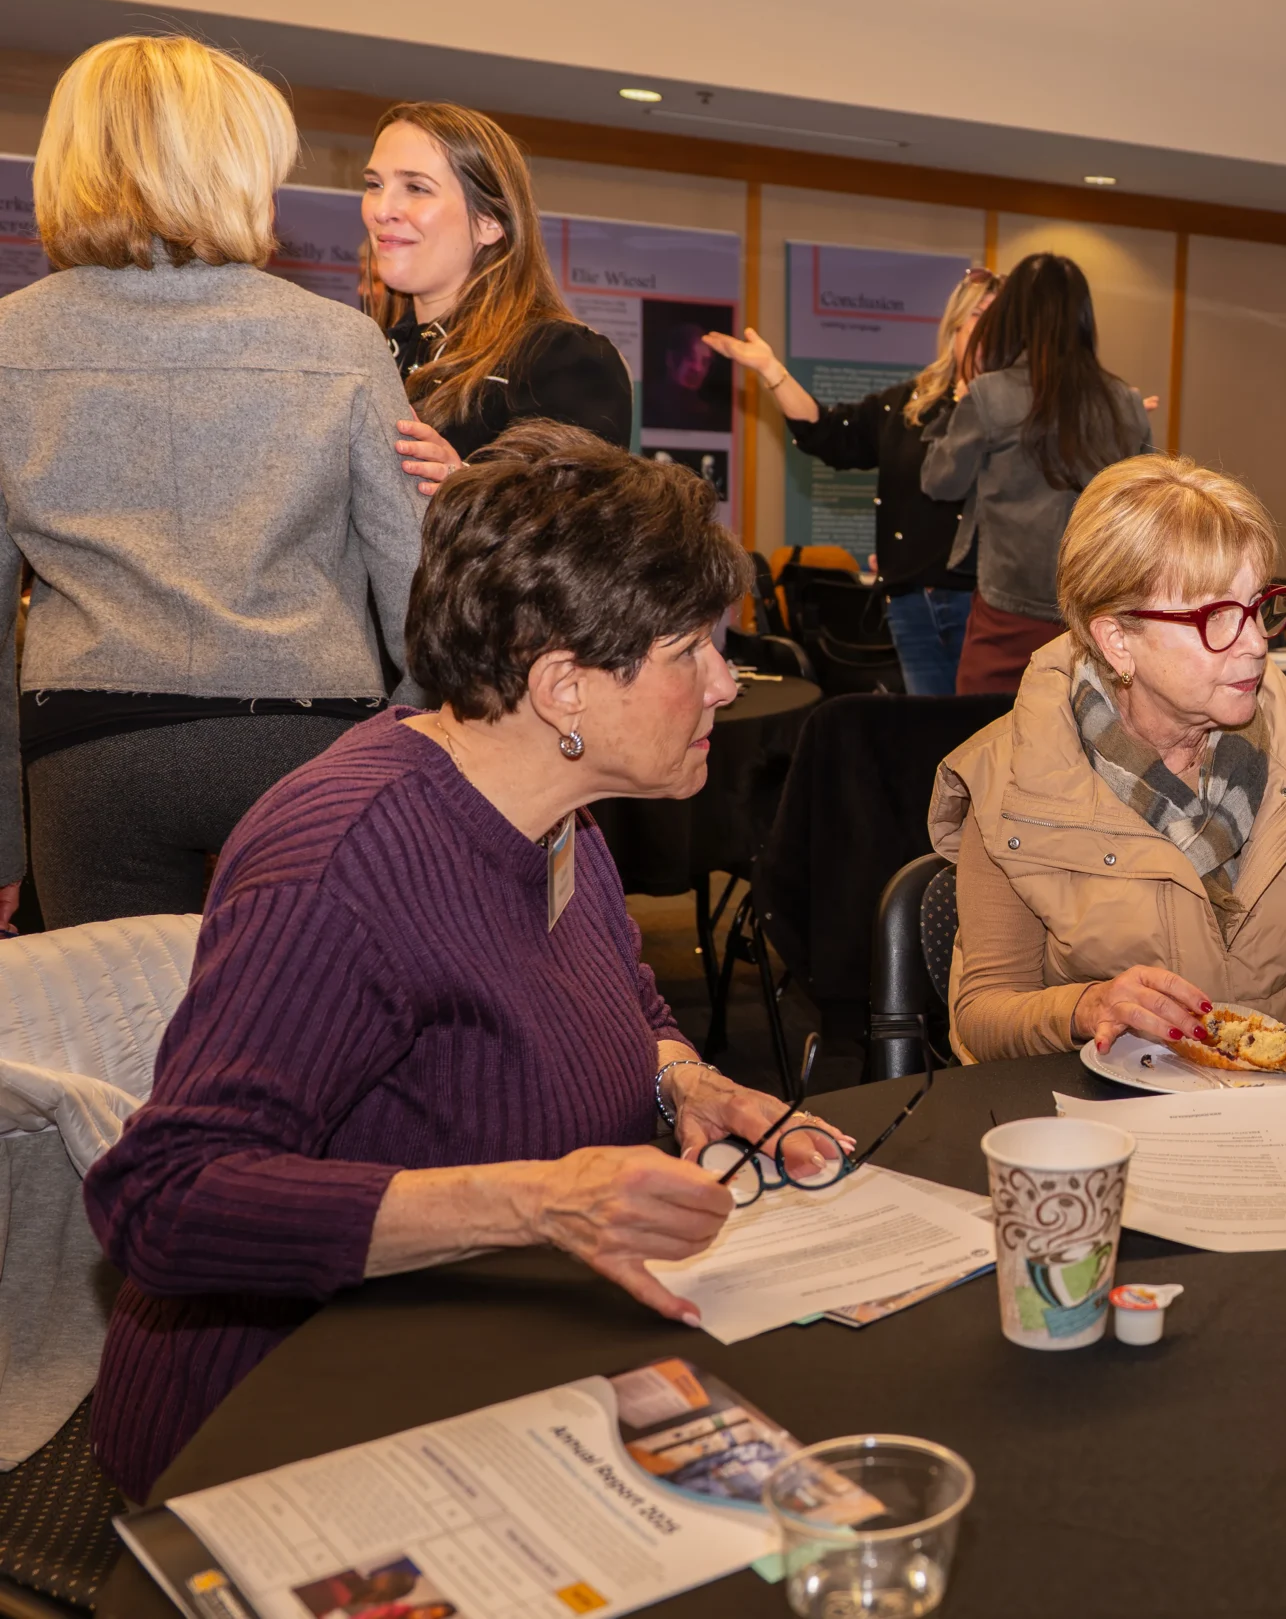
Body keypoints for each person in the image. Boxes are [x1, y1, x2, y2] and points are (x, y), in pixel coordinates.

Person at [82, 427, 848, 1499]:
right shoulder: (343, 868)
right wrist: (538, 1202)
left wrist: (685, 1078)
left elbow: (621, 989)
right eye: (691, 653)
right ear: (563, 687)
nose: (726, 683)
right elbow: (162, 1200)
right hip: (278, 1433)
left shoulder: (550, 806)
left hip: (472, 1357)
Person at [0, 36, 426, 928]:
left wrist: (2, 836)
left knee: (111, 1037)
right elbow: (419, 593)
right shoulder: (340, 343)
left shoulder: (10, 343)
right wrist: (402, 755)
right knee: (304, 1029)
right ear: (233, 166)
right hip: (307, 744)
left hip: (89, 751)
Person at [928, 454, 1286, 1060]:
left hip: (1269, 1119)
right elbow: (983, 1012)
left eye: (1257, 606)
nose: (1256, 643)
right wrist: (1085, 1007)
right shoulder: (1011, 781)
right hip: (1094, 1118)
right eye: (1217, 616)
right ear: (1117, 640)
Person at [704, 268, 1000, 694]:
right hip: (911, 604)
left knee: (986, 737)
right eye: (979, 314)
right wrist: (771, 370)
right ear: (954, 324)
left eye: (1000, 317)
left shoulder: (1018, 413)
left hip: (984, 606)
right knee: (931, 738)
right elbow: (829, 433)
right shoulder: (908, 404)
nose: (988, 327)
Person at [364, 102, 633, 489]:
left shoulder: (558, 357)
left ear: (490, 221)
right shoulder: (366, 352)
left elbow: (585, 528)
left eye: (416, 188)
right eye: (374, 185)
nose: (382, 209)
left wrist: (462, 484)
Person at [922, 252, 1153, 694]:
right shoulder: (1125, 402)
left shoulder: (990, 394)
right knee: (1088, 751)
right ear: (1084, 317)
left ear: (1012, 315)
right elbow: (1144, 509)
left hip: (1007, 613)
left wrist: (958, 399)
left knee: (985, 749)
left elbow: (939, 481)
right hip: (1097, 616)